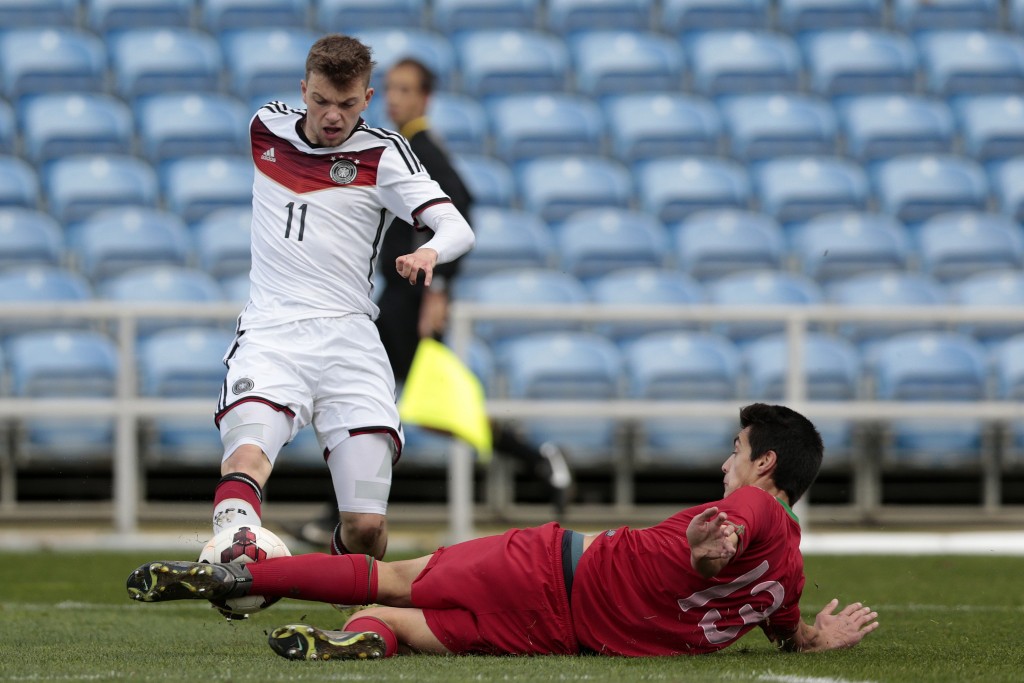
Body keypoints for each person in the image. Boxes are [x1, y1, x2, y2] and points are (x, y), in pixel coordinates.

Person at [127, 403, 879, 659]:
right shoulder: (792, 575)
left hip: (549, 568)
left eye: (737, 450)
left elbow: (734, 527)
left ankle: (238, 574)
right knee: (392, 620)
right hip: (562, 636)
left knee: (385, 575)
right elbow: (787, 634)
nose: (726, 462)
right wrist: (820, 637)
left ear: (766, 461)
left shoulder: (753, 509)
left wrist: (699, 547)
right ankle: (364, 640)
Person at [209, 35, 475, 564]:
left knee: (366, 527)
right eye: (322, 101)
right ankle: (236, 562)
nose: (333, 116)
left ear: (368, 98)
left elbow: (457, 226)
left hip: (350, 341)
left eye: (348, 104)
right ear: (304, 90)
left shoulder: (384, 154)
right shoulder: (265, 127)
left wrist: (431, 254)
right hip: (272, 334)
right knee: (245, 458)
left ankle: (341, 592)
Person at [293, 57, 572, 549]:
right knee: (409, 406)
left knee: (362, 396)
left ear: (424, 98)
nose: (396, 97)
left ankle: (535, 457)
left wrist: (439, 283)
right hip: (400, 296)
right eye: (392, 89)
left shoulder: (418, 147)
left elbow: (459, 201)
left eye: (405, 89)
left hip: (409, 299)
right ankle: (537, 458)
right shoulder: (405, 145)